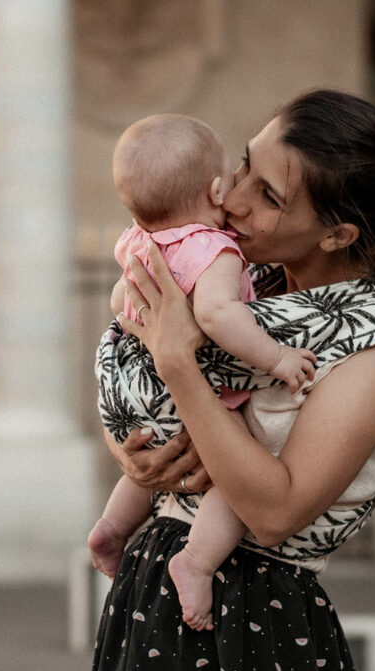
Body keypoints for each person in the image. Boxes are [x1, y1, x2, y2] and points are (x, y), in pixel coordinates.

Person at [91, 90, 375, 671]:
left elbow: (275, 512)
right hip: (152, 582)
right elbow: (141, 376)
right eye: (244, 165)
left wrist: (178, 364)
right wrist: (136, 456)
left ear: (337, 235)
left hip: (247, 608)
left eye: (268, 196)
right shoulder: (246, 279)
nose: (232, 197)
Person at [86, 114, 317, 632]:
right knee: (237, 469)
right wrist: (277, 358)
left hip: (130, 385)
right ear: (216, 191)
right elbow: (217, 315)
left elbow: (121, 302)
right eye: (238, 175)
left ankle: (111, 527)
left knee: (157, 456)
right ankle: (196, 561)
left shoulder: (138, 241)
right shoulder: (214, 250)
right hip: (183, 386)